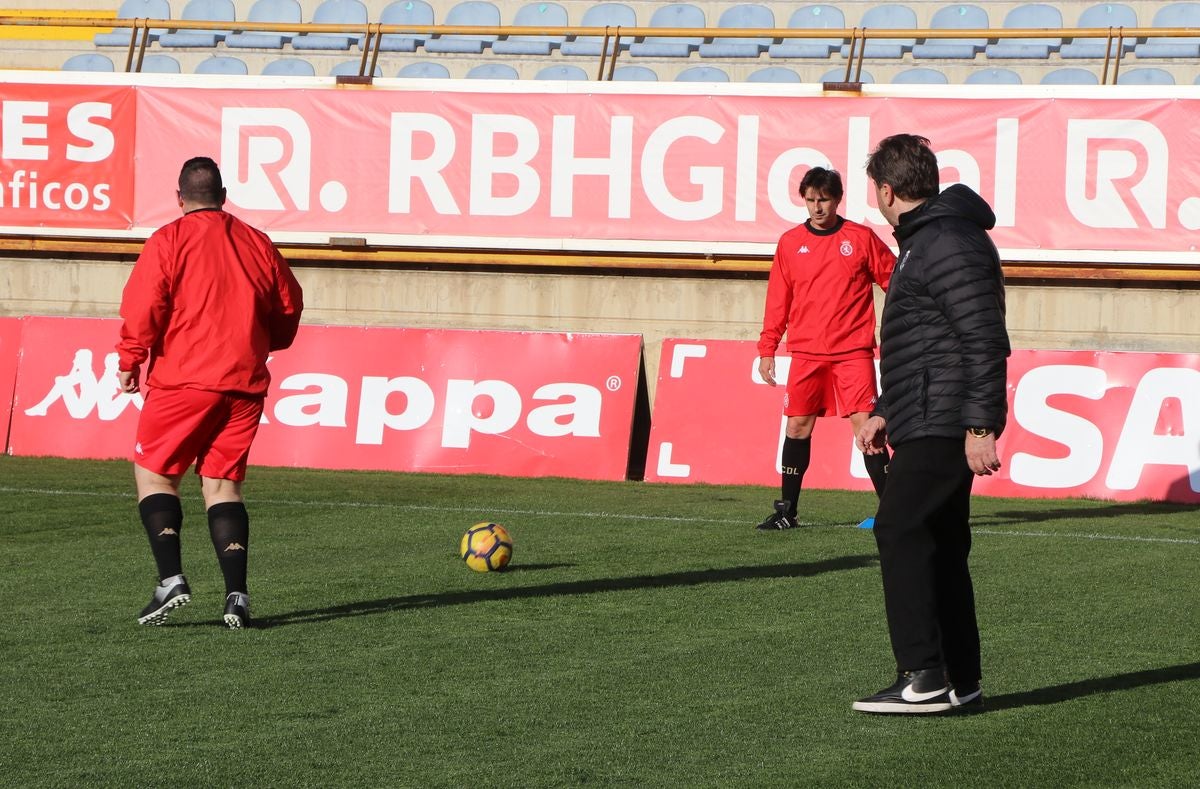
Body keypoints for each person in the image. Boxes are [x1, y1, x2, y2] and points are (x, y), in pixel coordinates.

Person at [852, 134, 1009, 714]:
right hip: (926, 411)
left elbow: (983, 338)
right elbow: (928, 344)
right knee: (940, 544)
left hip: (945, 420)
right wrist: (887, 411)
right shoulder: (931, 239)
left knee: (897, 530)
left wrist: (979, 426)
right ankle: (960, 680)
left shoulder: (943, 240)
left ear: (887, 190)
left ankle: (922, 676)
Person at [116, 156, 304, 630]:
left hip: (184, 381)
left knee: (155, 476)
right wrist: (264, 341)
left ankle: (170, 579)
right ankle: (236, 595)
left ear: (179, 198)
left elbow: (145, 305)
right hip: (242, 384)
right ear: (223, 196)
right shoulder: (257, 242)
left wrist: (129, 358)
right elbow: (288, 303)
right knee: (223, 486)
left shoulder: (168, 240)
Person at [755, 167, 895, 530]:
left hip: (853, 352)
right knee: (798, 426)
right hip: (806, 353)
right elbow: (778, 299)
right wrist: (767, 347)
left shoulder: (860, 238)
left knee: (868, 430)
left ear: (837, 199)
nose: (817, 207)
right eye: (811, 199)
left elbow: (895, 281)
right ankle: (788, 512)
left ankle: (897, 512)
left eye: (824, 200)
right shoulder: (789, 243)